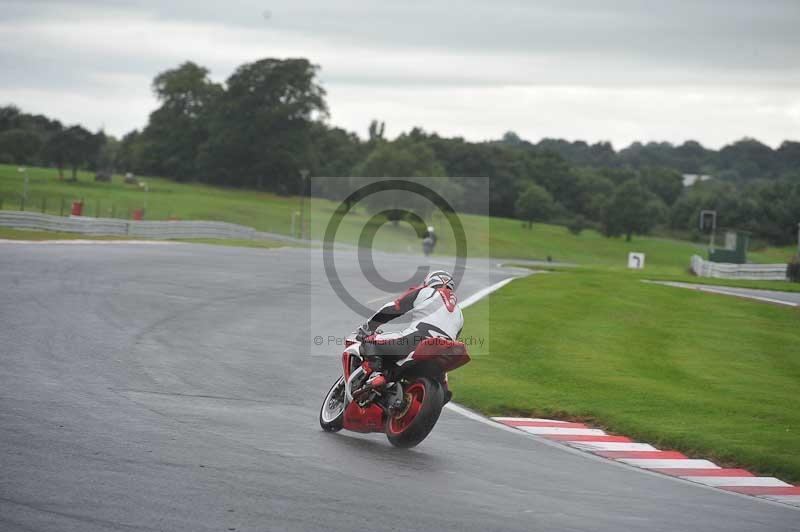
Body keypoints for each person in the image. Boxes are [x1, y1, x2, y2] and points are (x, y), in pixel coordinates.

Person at [355, 270, 463, 392]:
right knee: (445, 390)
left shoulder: (426, 291)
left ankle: (376, 375)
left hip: (418, 338)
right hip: (446, 351)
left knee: (370, 342)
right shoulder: (459, 313)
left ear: (430, 281)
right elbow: (456, 336)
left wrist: (369, 327)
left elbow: (394, 308)